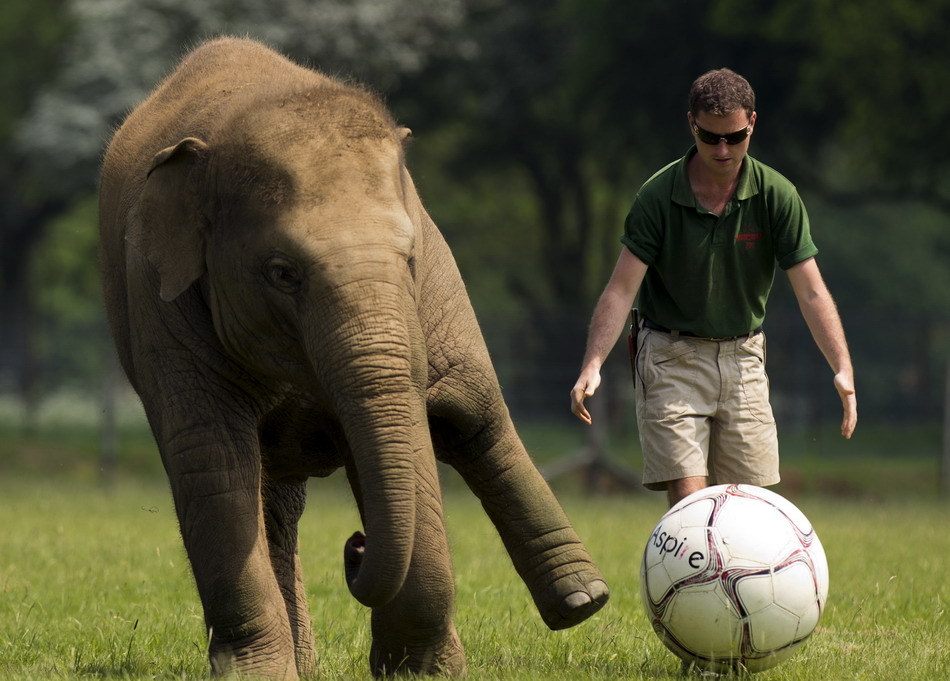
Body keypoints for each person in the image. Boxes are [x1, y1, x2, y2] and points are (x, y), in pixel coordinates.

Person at [570, 68, 857, 508]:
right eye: (709, 137)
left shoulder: (777, 195)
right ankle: (690, 579)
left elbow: (812, 292)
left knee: (747, 508)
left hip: (743, 358)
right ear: (691, 125)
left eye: (735, 137)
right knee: (692, 502)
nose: (723, 149)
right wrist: (593, 363)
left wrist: (841, 366)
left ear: (753, 124)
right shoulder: (657, 196)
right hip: (671, 356)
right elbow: (621, 289)